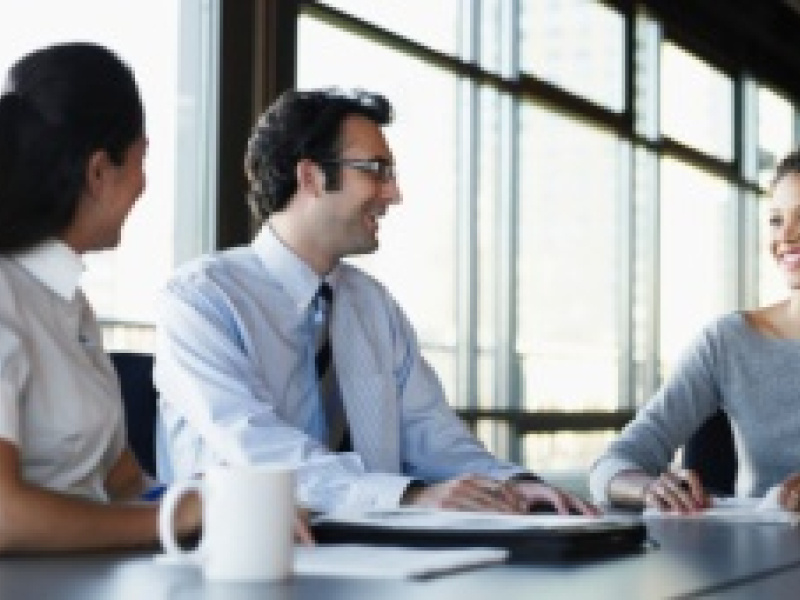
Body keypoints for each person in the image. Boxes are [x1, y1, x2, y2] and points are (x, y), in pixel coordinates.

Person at [154, 87, 596, 516]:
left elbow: (436, 440)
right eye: (376, 170)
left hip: (378, 558)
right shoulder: (203, 298)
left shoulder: (372, 305)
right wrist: (407, 497)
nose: (393, 194)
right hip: (242, 563)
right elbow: (256, 449)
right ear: (310, 177)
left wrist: (516, 486)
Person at [0, 42, 310, 552]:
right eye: (141, 161)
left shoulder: (70, 306)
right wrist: (180, 515)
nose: (144, 185)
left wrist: (231, 498)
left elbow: (124, 484)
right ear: (100, 172)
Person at [589, 148, 800, 515]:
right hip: (760, 559)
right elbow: (613, 463)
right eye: (776, 220)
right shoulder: (728, 342)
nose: (787, 236)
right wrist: (649, 489)